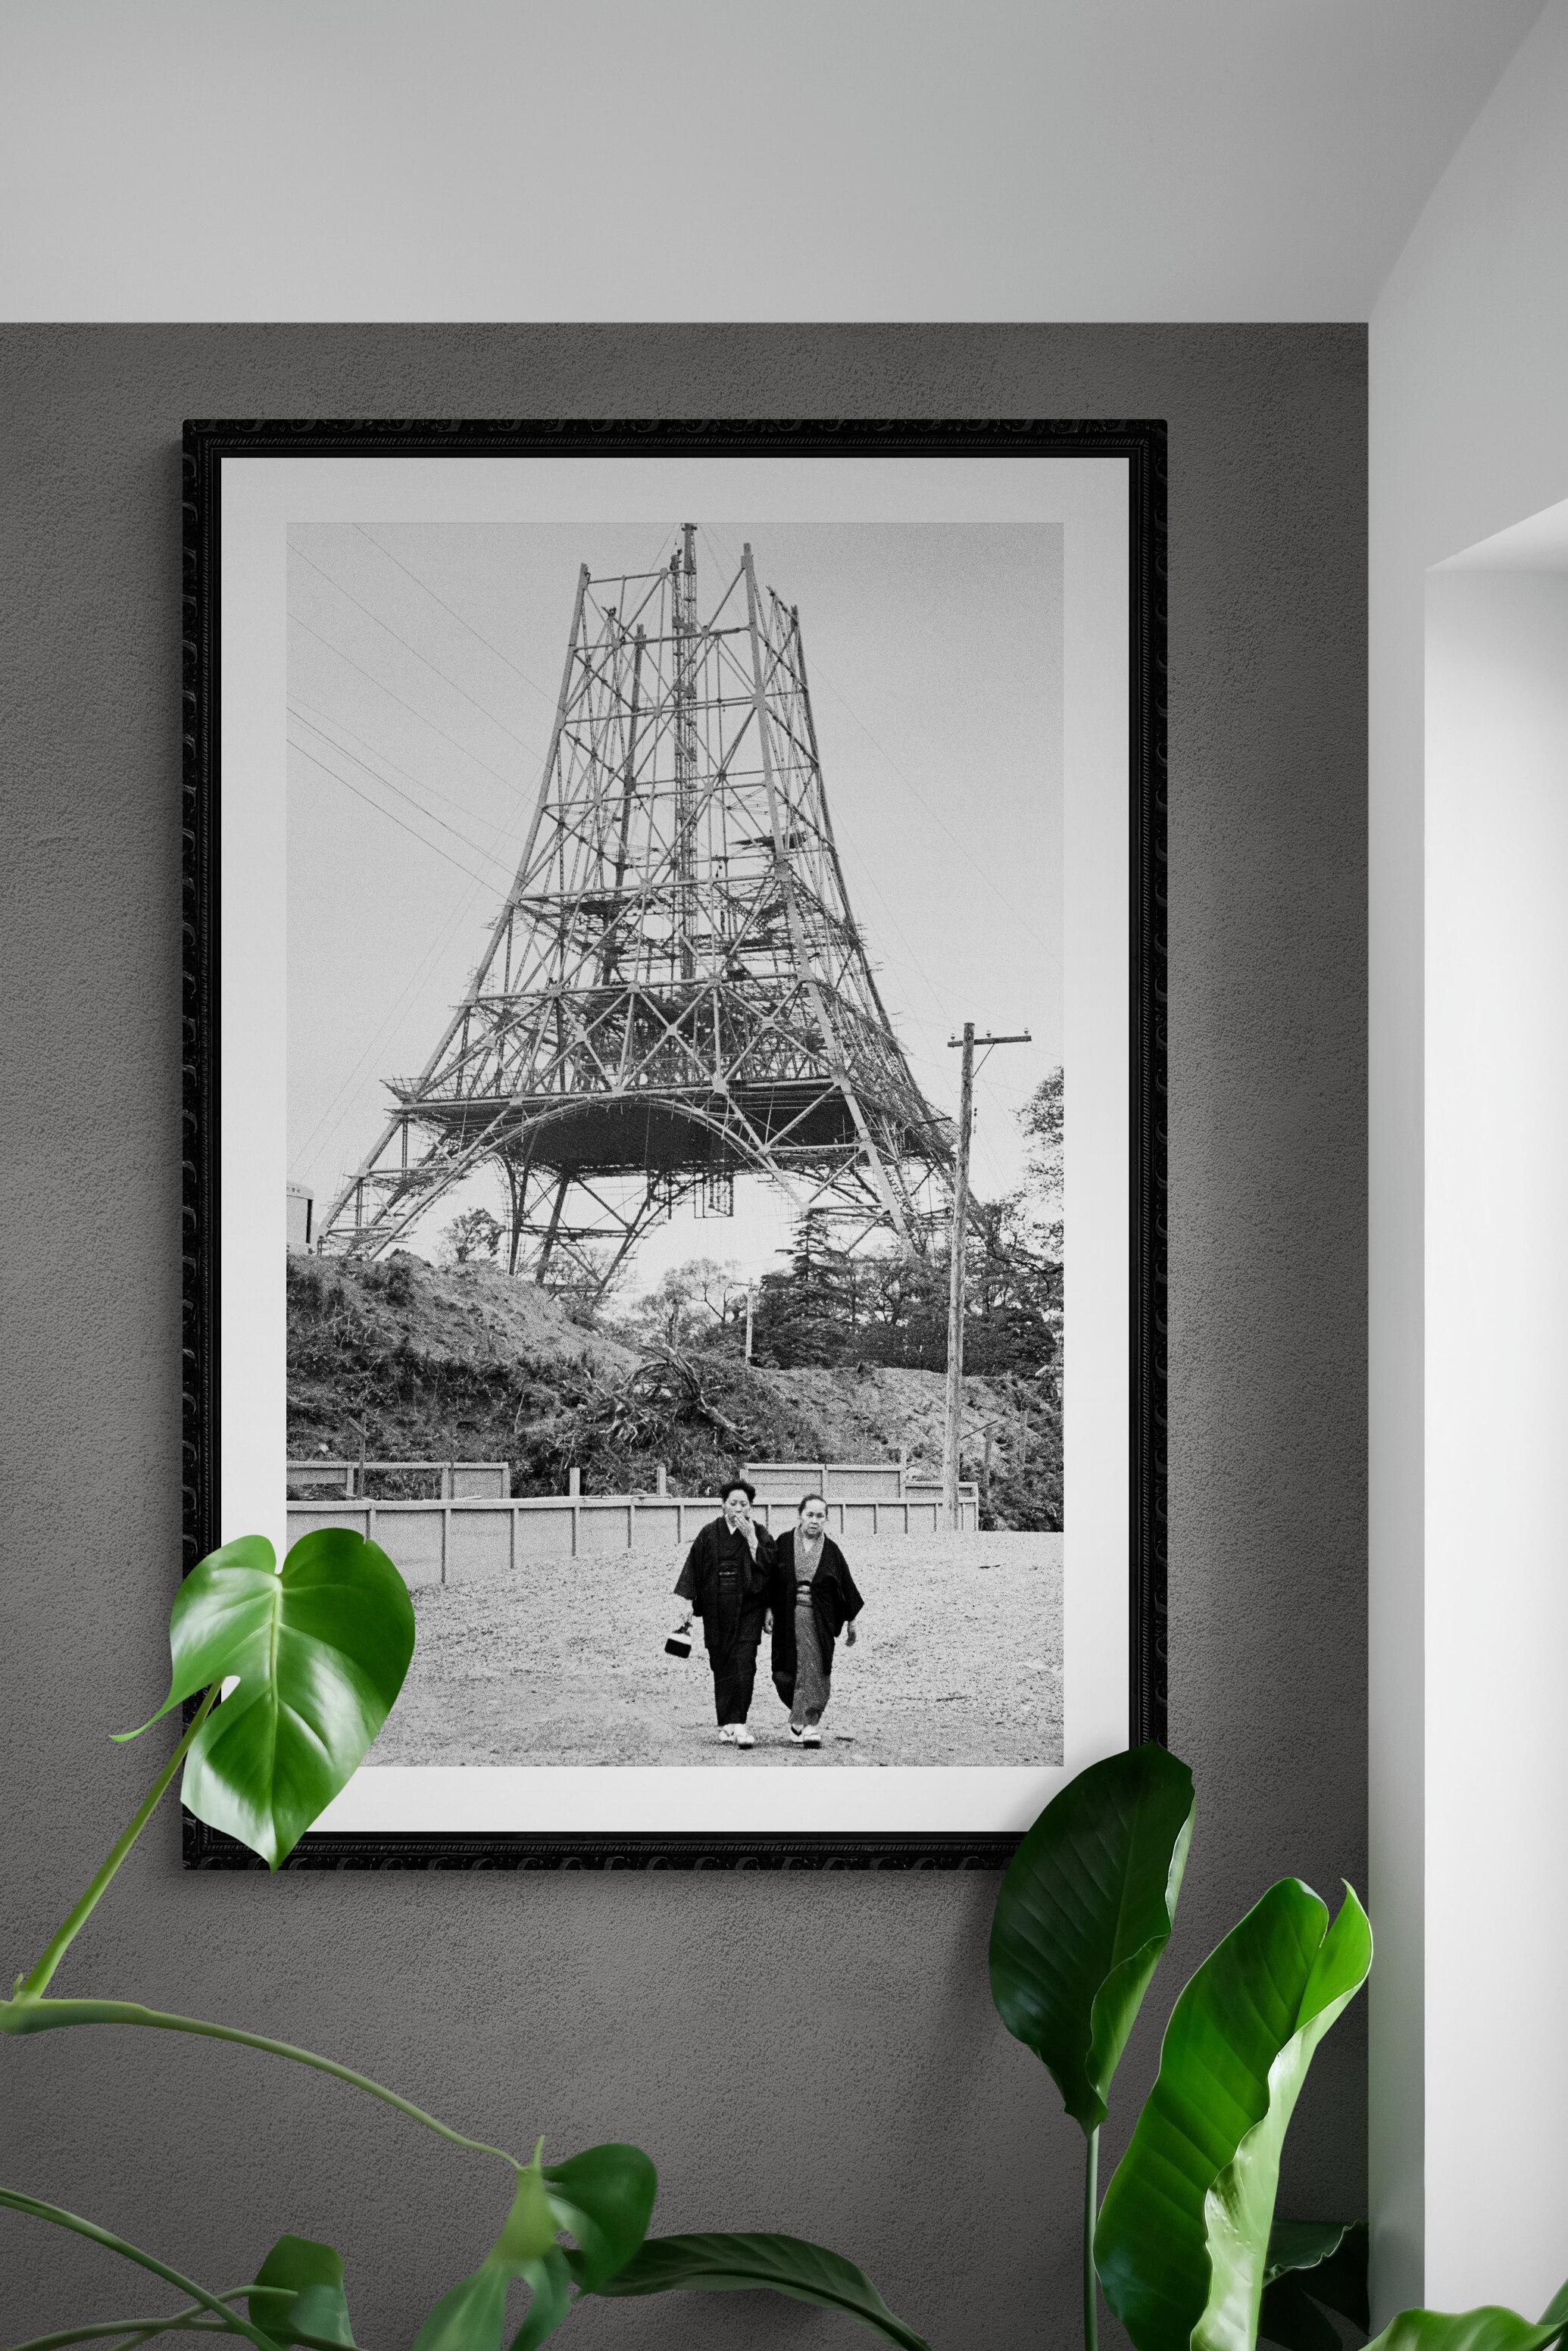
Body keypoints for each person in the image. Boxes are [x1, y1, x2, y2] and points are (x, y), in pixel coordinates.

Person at [672, 1477, 776, 1747]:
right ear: (723, 1505)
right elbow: (692, 1570)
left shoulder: (760, 1533)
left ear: (751, 1507)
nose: (739, 1509)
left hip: (748, 1610)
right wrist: (685, 1603)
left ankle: (740, 1724)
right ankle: (727, 1724)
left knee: (744, 1664)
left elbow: (772, 1571)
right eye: (733, 1503)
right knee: (721, 1664)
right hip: (716, 1610)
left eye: (744, 1504)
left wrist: (751, 1538)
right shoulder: (709, 1533)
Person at [770, 1494, 863, 1747]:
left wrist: (851, 1621)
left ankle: (808, 1725)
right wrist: (769, 1610)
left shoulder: (831, 1551)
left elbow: (847, 1587)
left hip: (818, 1619)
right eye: (809, 1514)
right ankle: (798, 1715)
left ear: (826, 1519)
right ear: (800, 1515)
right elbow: (770, 1581)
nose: (814, 1520)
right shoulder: (784, 1543)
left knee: (815, 1670)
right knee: (784, 1674)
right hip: (787, 1617)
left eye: (820, 1516)